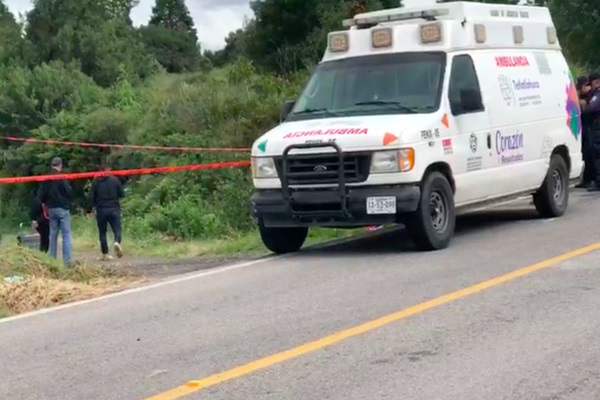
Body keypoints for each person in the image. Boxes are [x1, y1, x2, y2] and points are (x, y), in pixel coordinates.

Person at [86, 162, 124, 260]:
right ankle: (117, 241)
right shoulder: (115, 180)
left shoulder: (96, 181)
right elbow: (122, 194)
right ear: (110, 169)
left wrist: (89, 210)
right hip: (114, 208)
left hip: (101, 210)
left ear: (101, 170)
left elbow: (91, 197)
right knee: (117, 228)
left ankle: (105, 254)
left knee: (102, 232)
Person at [39, 157, 73, 265]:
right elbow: (69, 192)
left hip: (51, 209)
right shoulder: (62, 177)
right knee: (66, 235)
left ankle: (52, 260)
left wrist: (46, 204)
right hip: (63, 208)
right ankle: (67, 262)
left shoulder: (46, 178)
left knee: (53, 235)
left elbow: (42, 195)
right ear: (60, 165)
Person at [581, 72, 600, 192]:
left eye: (591, 84)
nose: (590, 87)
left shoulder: (598, 94)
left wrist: (583, 105)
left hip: (598, 126)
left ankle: (598, 182)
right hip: (595, 126)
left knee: (597, 153)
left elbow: (591, 108)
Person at [576, 75, 595, 188]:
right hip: (584, 126)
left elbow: (590, 109)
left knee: (591, 153)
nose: (579, 90)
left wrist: (583, 104)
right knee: (586, 153)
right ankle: (587, 179)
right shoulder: (584, 95)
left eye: (580, 87)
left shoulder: (593, 95)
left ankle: (592, 179)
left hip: (591, 126)